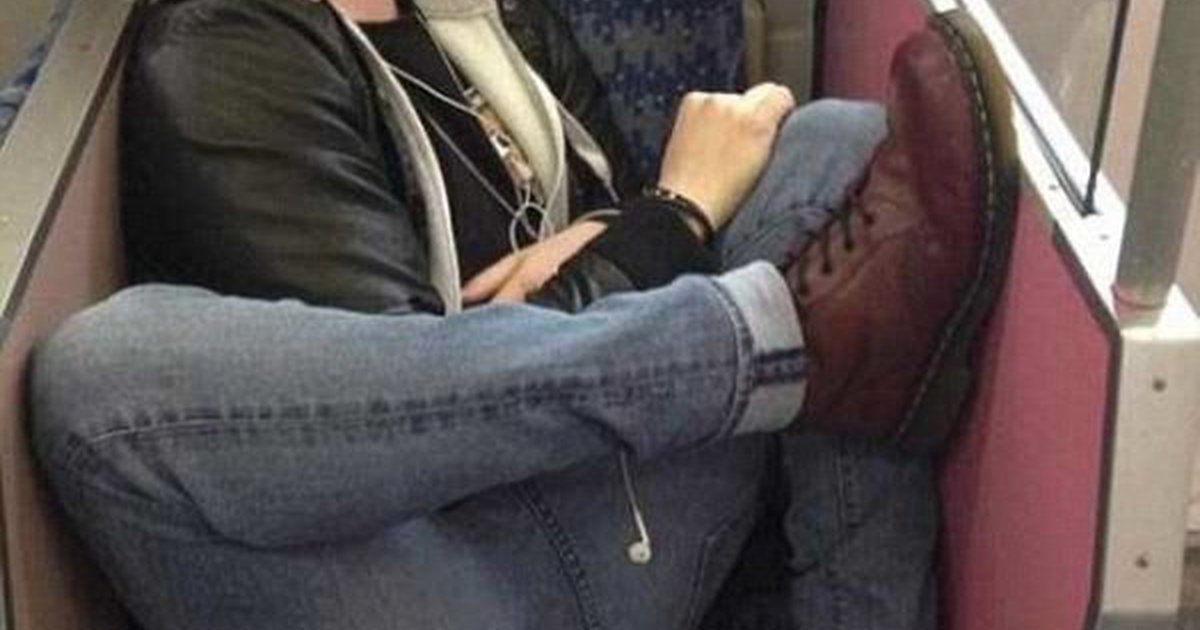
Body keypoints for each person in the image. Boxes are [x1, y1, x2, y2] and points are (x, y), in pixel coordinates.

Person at [28, 0, 1017, 628]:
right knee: (103, 385)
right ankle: (777, 347)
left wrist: (630, 228)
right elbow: (426, 415)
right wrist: (671, 214)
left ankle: (852, 593)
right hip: (440, 568)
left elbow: (608, 246)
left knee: (829, 149)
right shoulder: (228, 43)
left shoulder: (480, 16)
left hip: (621, 517)